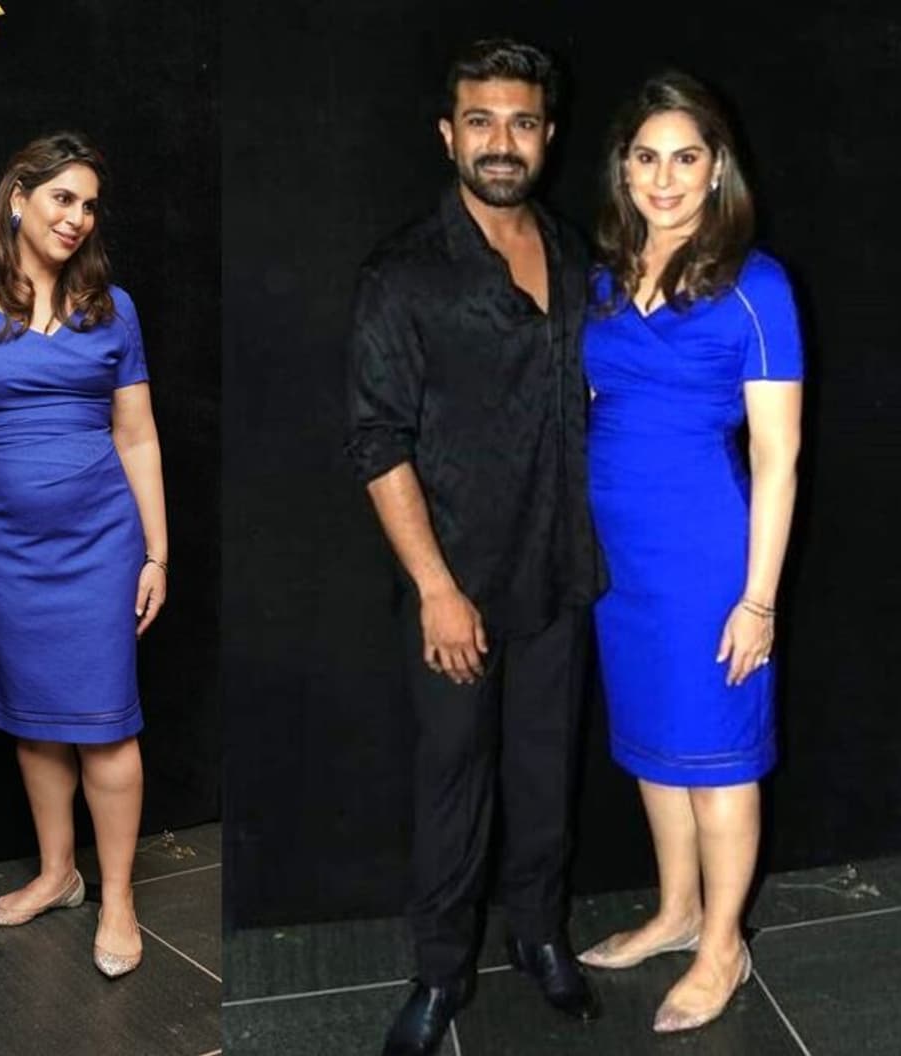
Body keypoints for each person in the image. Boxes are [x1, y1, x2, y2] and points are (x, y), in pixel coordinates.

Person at [345, 39, 607, 1056]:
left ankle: (539, 935)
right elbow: (377, 441)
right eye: (482, 121)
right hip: (455, 583)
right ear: (448, 134)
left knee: (545, 773)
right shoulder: (402, 271)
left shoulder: (577, 255)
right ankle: (439, 972)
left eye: (522, 122)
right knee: (454, 782)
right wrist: (436, 590)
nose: (503, 142)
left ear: (548, 135)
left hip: (562, 569)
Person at [577, 72, 802, 1034]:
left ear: (716, 170)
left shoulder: (757, 285)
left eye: (685, 158)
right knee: (654, 750)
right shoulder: (600, 279)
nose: (663, 178)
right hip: (618, 562)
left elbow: (779, 455)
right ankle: (675, 912)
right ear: (623, 170)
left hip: (707, 557)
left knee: (718, 763)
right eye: (646, 157)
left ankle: (722, 947)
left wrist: (759, 600)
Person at [0, 132, 168, 979]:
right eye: (63, 197)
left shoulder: (113, 309)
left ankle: (119, 898)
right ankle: (59, 874)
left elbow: (137, 436)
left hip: (103, 541)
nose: (77, 217)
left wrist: (157, 554)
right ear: (19, 198)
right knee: (33, 718)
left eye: (89, 205)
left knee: (105, 724)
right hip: (6, 547)